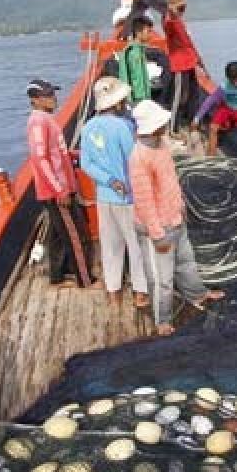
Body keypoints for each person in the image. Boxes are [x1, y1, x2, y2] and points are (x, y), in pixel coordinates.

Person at [128, 100, 224, 335]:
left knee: (186, 262)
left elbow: (171, 181)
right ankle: (162, 319)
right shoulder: (139, 158)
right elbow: (144, 201)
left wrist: (181, 207)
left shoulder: (160, 145)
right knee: (162, 278)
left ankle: (197, 293)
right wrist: (157, 234)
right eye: (161, 123)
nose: (164, 126)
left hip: (175, 220)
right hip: (157, 228)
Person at [80, 77, 150, 308]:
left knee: (110, 245)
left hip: (104, 196)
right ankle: (140, 291)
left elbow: (86, 164)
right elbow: (135, 161)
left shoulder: (88, 127)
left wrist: (109, 181)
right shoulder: (123, 127)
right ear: (118, 102)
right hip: (127, 197)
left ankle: (114, 290)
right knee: (136, 245)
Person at [26, 78, 92, 287]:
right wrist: (59, 190)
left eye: (53, 94)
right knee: (76, 236)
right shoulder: (39, 122)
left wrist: (70, 155)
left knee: (57, 235)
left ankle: (57, 276)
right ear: (35, 100)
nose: (54, 99)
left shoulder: (45, 119)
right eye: (48, 96)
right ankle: (85, 279)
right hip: (58, 191)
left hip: (58, 187)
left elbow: (54, 152)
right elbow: (40, 158)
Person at [162, 0, 206, 131]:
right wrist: (171, 12)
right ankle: (172, 128)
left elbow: (189, 43)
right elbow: (168, 24)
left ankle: (192, 121)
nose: (182, 11)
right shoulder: (170, 22)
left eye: (183, 8)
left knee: (193, 94)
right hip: (180, 64)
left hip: (190, 62)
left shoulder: (180, 22)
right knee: (179, 96)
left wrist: (199, 60)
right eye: (180, 8)